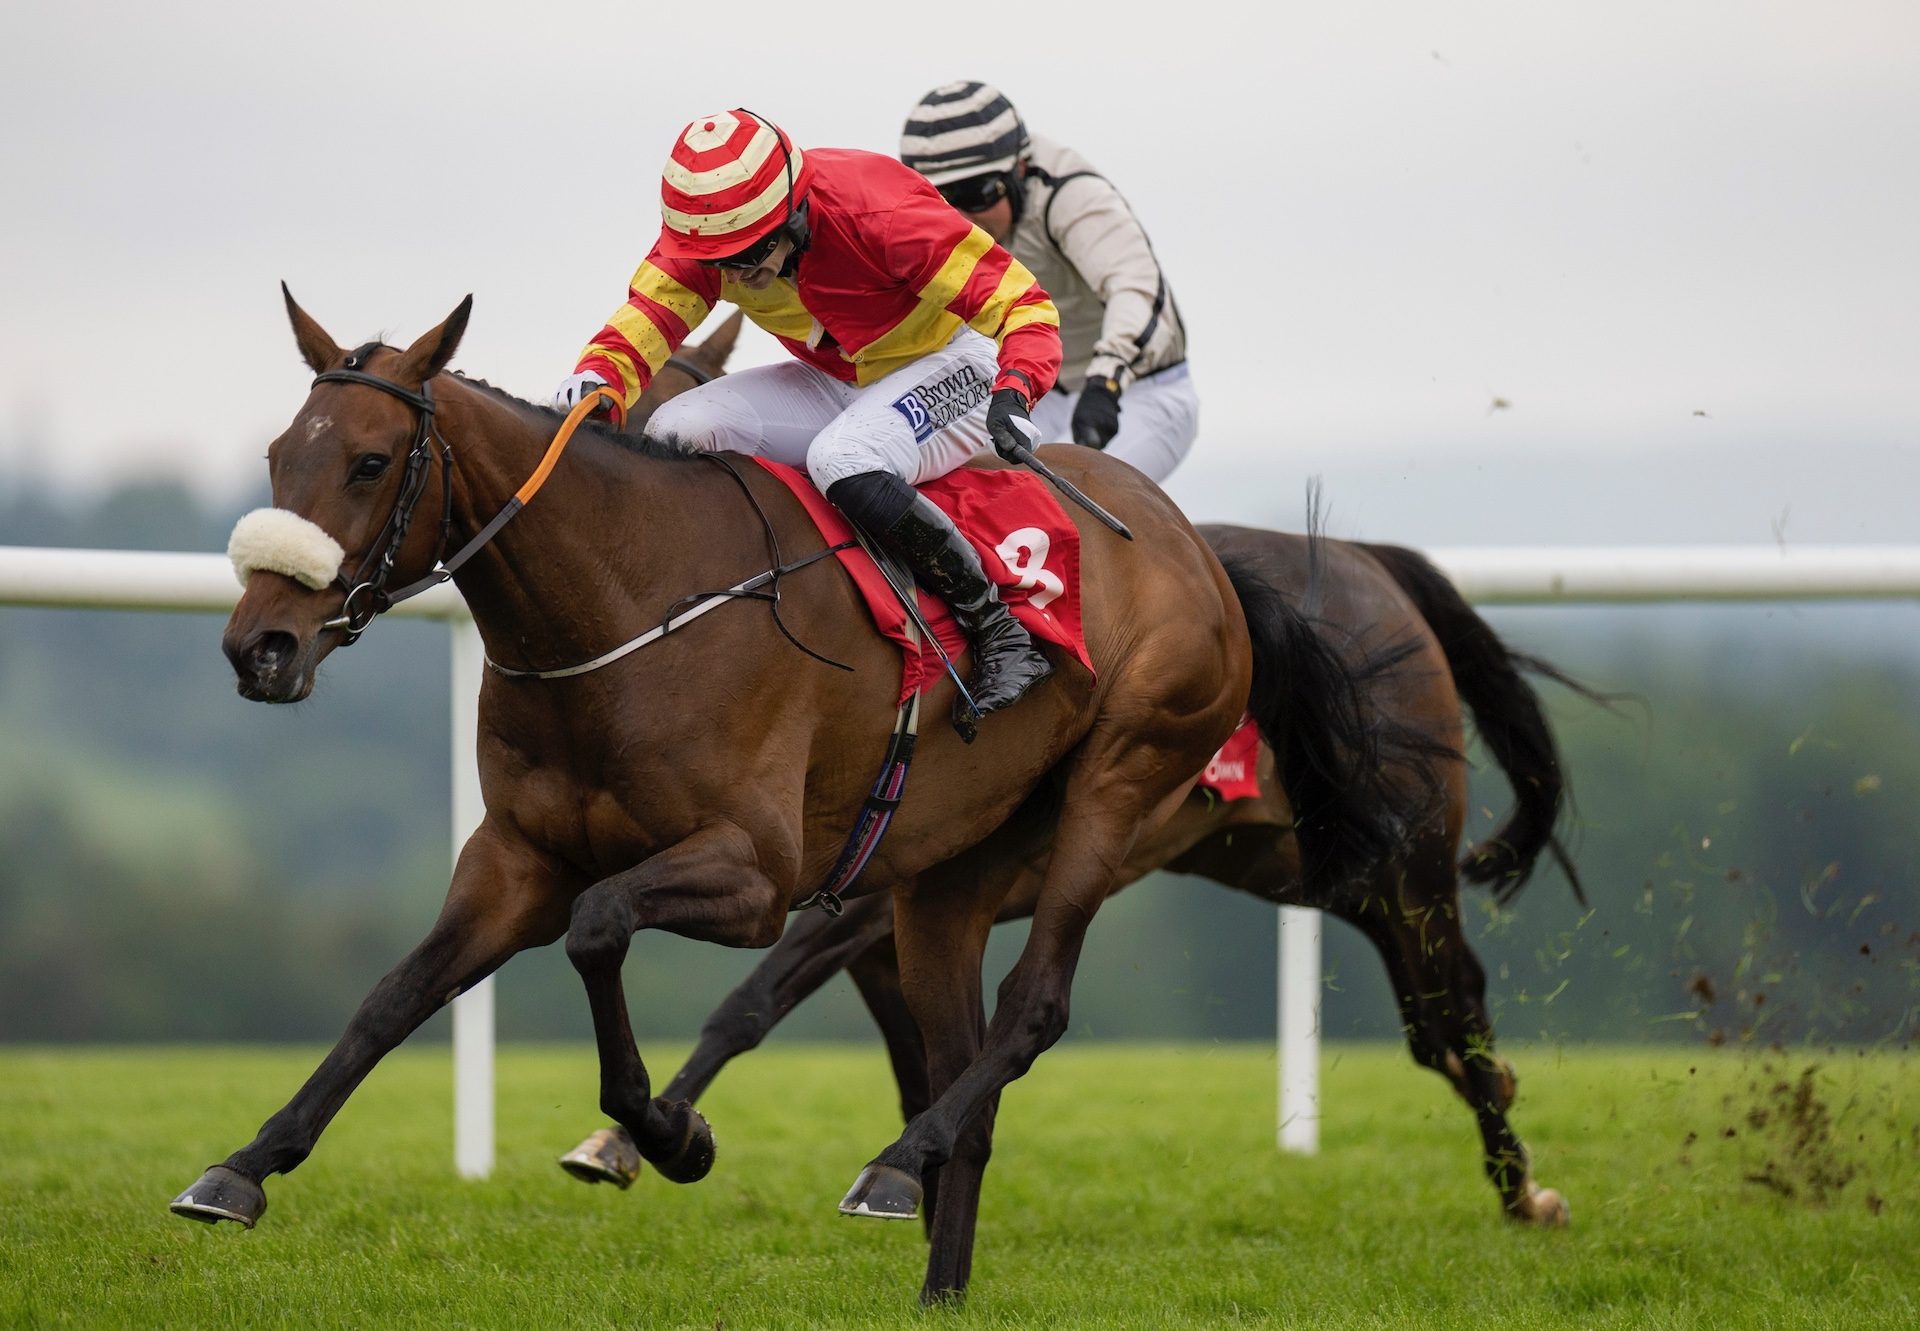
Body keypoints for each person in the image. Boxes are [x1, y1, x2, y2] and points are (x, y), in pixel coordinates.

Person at [553, 109, 1060, 724]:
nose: (734, 274)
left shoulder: (881, 211)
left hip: (959, 362)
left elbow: (1024, 305)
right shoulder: (709, 237)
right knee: (676, 433)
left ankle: (998, 630)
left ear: (792, 212)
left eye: (748, 254)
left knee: (842, 458)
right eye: (718, 262)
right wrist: (599, 382)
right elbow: (649, 316)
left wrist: (1018, 386)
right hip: (839, 377)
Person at [900, 82, 1196, 484]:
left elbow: (1137, 289)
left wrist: (1106, 380)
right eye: (941, 200)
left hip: (1137, 393)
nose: (964, 218)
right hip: (1038, 391)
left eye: (978, 192)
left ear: (1020, 168)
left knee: (1072, 507)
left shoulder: (1071, 194)